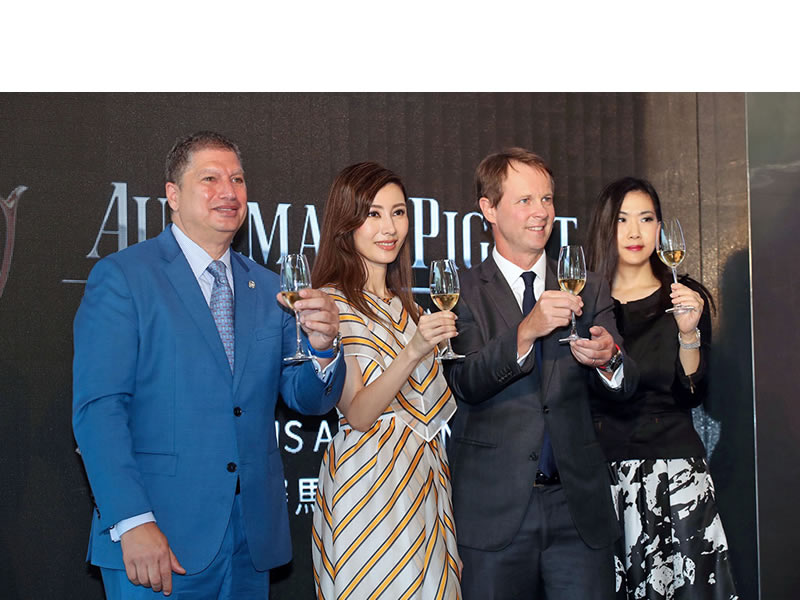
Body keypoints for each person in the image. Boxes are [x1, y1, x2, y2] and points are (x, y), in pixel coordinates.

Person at [72, 131, 346, 599]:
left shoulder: (270, 288)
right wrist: (132, 521)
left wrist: (323, 349)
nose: (229, 192)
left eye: (237, 179)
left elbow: (308, 399)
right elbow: (99, 411)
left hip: (249, 542)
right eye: (210, 179)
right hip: (158, 537)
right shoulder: (125, 277)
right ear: (173, 194)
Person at [443, 148, 639, 600]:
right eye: (525, 200)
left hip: (577, 511)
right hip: (494, 513)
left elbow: (627, 382)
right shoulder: (463, 291)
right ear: (489, 209)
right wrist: (525, 332)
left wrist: (608, 359)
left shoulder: (587, 286)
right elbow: (466, 382)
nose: (541, 212)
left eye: (547, 199)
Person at [310, 162, 462, 598]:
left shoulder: (411, 307)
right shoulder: (331, 304)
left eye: (398, 213)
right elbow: (358, 413)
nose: (389, 227)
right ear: (346, 223)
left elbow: (430, 413)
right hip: (368, 488)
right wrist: (414, 349)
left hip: (426, 484)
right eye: (373, 214)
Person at [585, 176, 738, 599]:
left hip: (675, 473)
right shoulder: (584, 303)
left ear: (660, 227)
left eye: (646, 219)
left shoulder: (684, 297)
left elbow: (692, 393)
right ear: (605, 226)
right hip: (605, 476)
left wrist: (688, 333)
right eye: (622, 220)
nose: (635, 232)